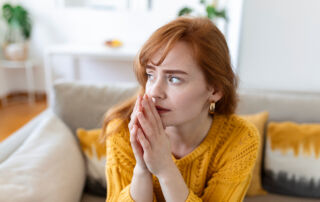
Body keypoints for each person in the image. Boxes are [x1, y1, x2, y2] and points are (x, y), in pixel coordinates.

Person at [101, 16, 259, 202]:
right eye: (151, 75)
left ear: (215, 90)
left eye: (174, 79)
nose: (154, 92)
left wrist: (165, 168)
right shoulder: (121, 131)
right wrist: (142, 169)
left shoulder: (239, 140)